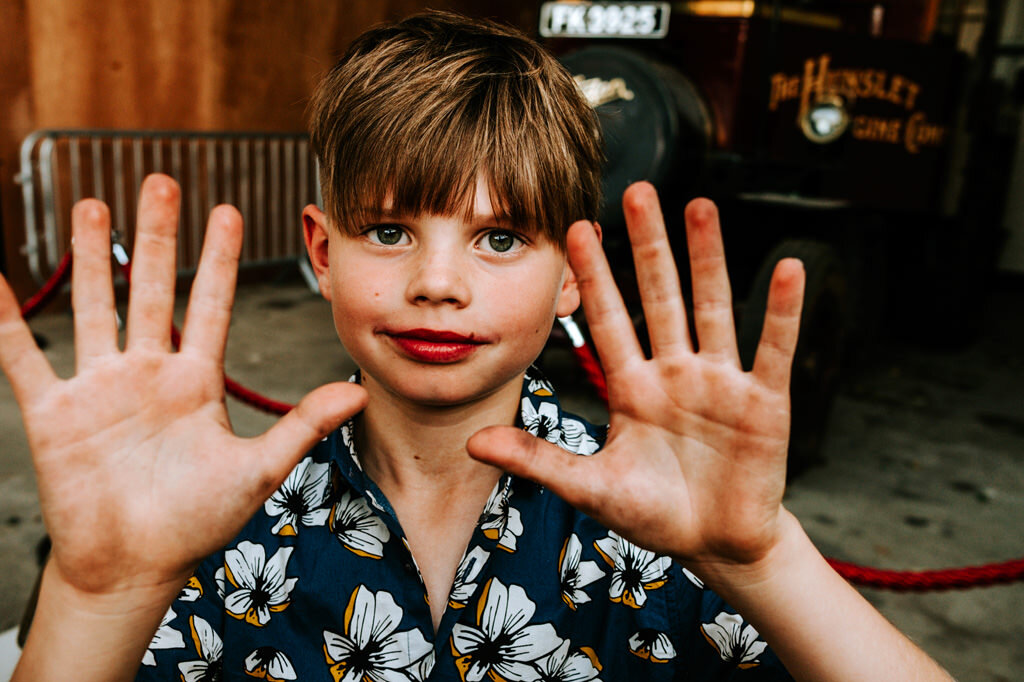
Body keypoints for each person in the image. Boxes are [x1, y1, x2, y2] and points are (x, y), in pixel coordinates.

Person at [0, 11, 953, 682]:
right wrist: (99, 595)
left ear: (572, 272)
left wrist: (761, 559)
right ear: (322, 254)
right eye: (389, 230)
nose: (439, 284)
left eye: (501, 239)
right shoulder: (206, 520)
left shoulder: (661, 521)